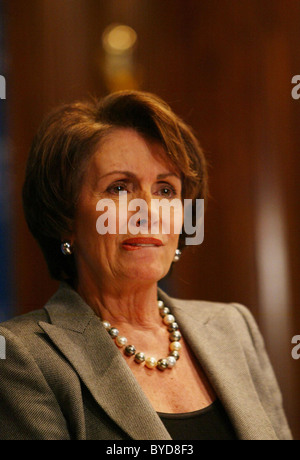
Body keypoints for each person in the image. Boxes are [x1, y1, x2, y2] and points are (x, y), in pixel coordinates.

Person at [0, 90, 292, 440]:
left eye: (166, 190)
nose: (149, 212)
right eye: (119, 188)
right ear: (66, 219)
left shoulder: (232, 327)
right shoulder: (24, 357)